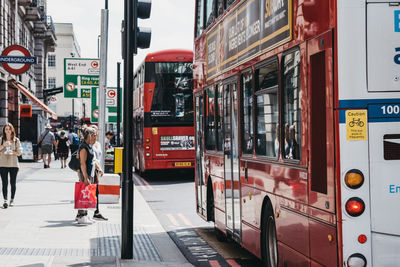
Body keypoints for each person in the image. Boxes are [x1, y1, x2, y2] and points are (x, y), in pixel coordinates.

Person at [76, 127, 102, 225]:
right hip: (84, 173)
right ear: (89, 135)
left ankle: (86, 215)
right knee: (83, 193)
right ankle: (81, 216)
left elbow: (92, 160)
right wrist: (85, 177)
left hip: (89, 172)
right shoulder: (84, 147)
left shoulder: (89, 145)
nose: (95, 138)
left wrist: (98, 168)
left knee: (86, 194)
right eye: (94, 135)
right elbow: (82, 163)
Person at [0, 123, 22, 208]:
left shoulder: (16, 140)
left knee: (13, 183)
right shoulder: (1, 139)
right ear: (4, 131)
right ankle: (5, 200)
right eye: (6, 129)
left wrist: (12, 152)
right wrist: (3, 145)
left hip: (13, 164)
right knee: (4, 183)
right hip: (3, 164)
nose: (8, 131)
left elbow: (19, 152)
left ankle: (12, 199)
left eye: (9, 129)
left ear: (12, 130)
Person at [89, 125, 107, 220]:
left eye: (96, 133)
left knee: (96, 191)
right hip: (90, 170)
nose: (95, 135)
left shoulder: (98, 144)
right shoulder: (88, 144)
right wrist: (99, 168)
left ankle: (96, 211)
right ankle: (84, 212)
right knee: (89, 191)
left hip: (96, 170)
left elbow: (99, 157)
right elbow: (92, 159)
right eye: (93, 133)